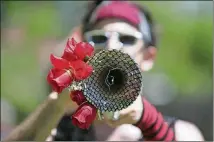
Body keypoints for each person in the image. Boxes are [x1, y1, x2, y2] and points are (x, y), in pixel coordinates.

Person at [4, 0, 204, 141]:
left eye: (127, 39)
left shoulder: (181, 133)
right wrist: (56, 104)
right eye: (99, 38)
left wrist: (147, 120)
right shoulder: (58, 131)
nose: (112, 46)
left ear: (148, 57)